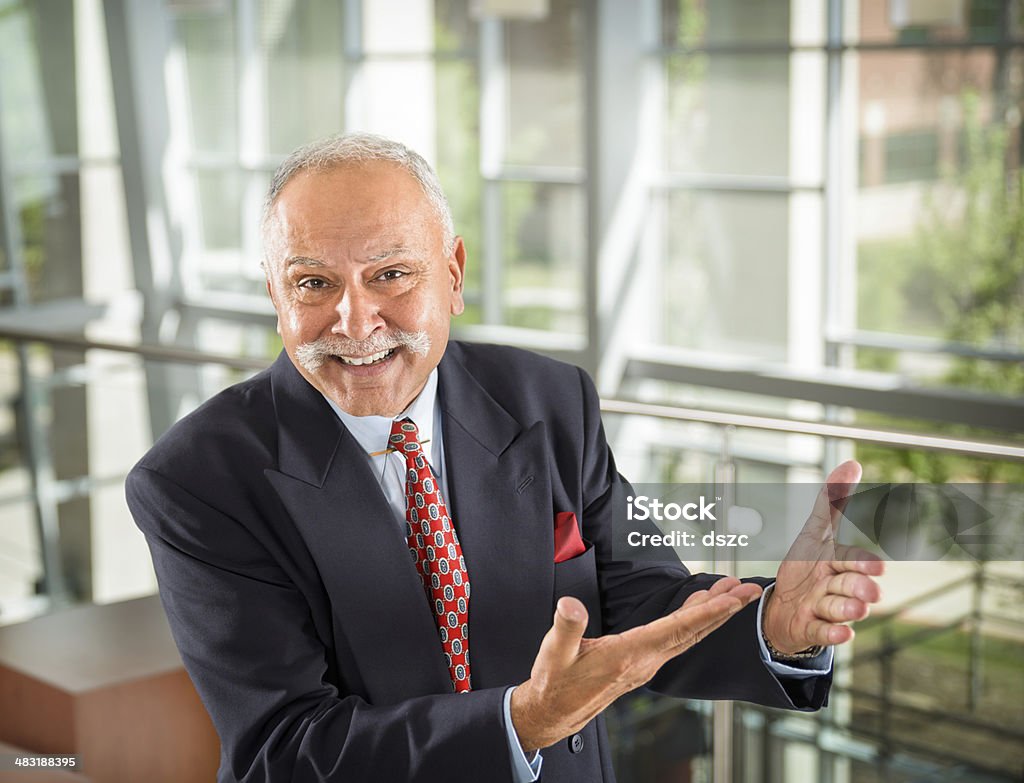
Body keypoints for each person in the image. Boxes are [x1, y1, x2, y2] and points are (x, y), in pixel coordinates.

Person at [126, 132, 884, 783]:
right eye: (312, 283)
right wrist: (516, 723)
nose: (354, 320)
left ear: (452, 273)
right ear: (274, 293)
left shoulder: (549, 401)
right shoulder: (195, 481)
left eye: (391, 274)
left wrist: (774, 628)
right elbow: (285, 750)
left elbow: (638, 601)